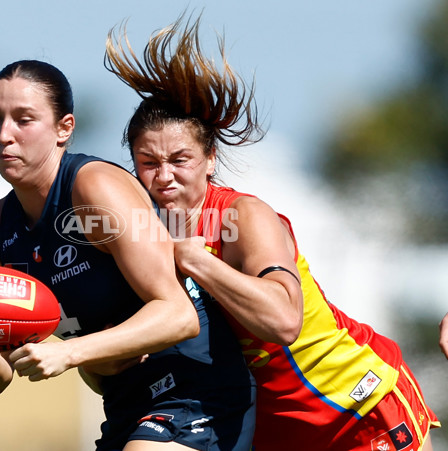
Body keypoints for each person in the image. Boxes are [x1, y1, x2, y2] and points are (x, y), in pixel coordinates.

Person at [104, 13, 441, 450]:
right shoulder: (142, 234)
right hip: (276, 431)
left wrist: (197, 260)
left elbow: (283, 320)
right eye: (149, 163)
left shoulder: (244, 216)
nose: (164, 176)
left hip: (355, 407)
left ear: (210, 159)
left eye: (180, 159)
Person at [0, 59, 257, 450]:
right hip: (125, 405)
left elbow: (179, 315)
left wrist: (71, 352)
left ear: (64, 129)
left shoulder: (93, 189)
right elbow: (0, 378)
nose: (4, 135)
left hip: (198, 388)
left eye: (24, 120)